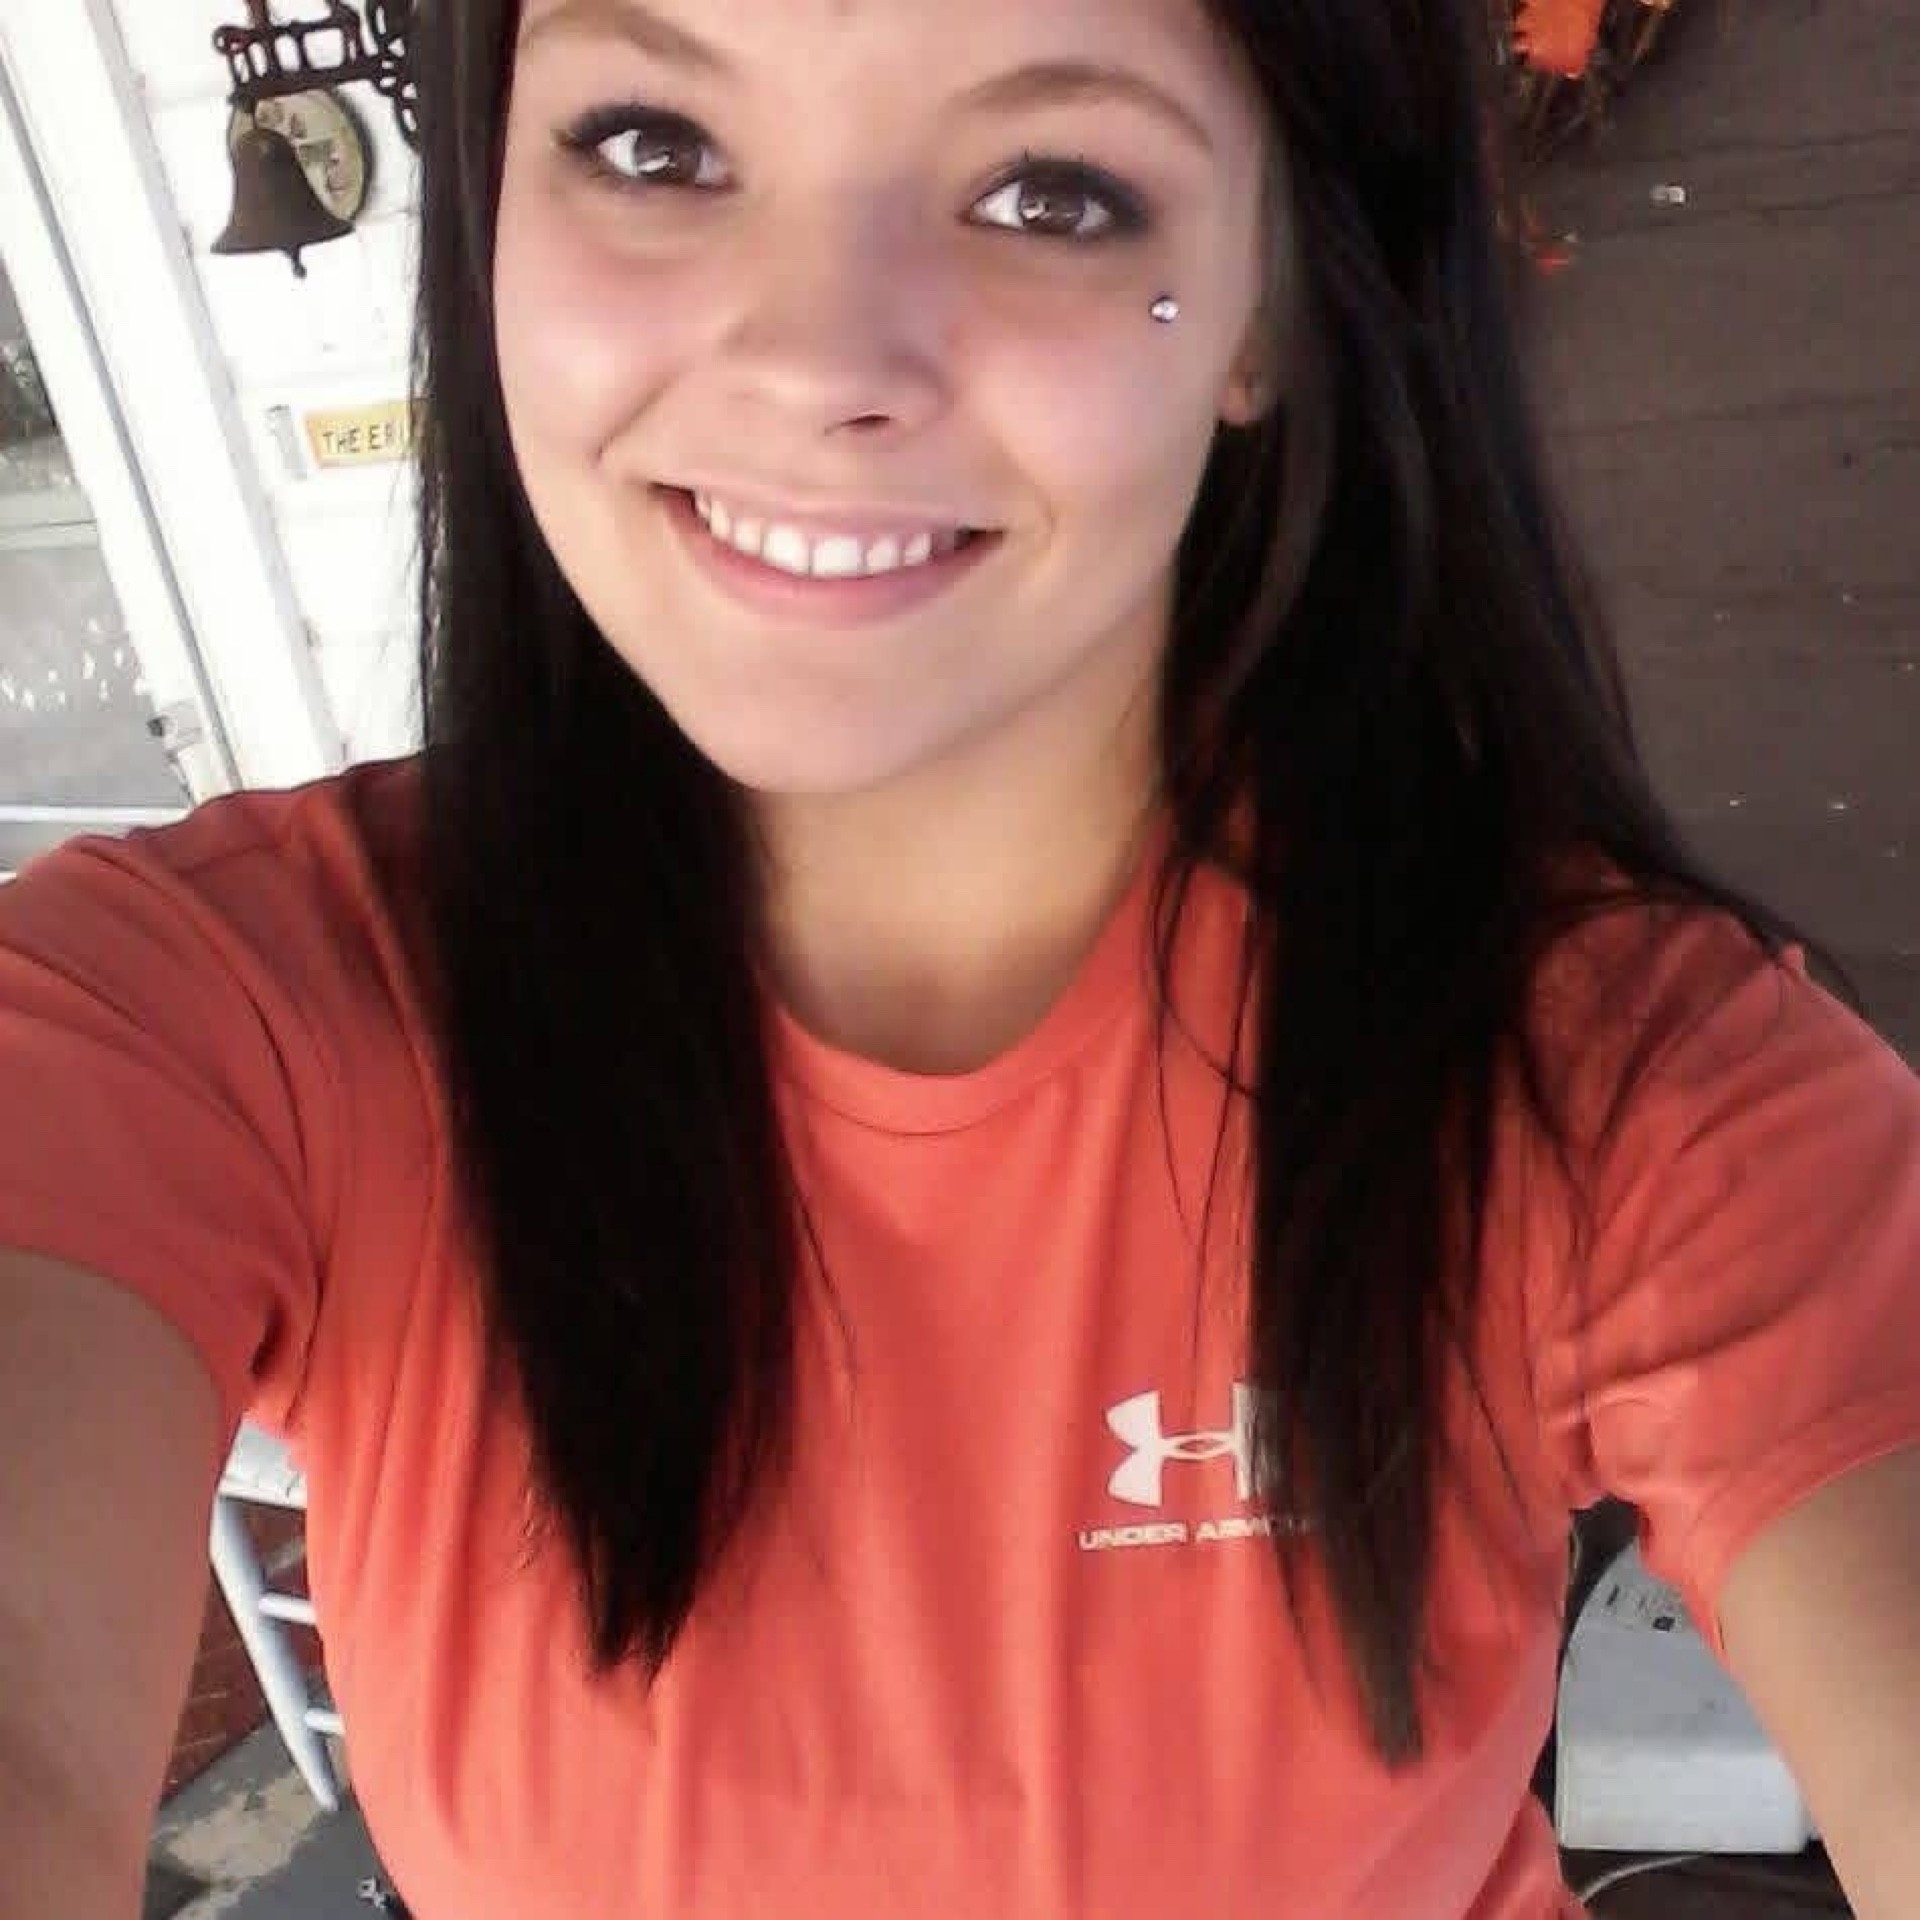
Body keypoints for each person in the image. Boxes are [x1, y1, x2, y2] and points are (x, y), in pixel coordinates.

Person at [2, 1, 1917, 1916]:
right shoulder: (210, 1020)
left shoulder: (1622, 1084)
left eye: (1050, 192)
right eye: (657, 146)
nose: (815, 362)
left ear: (1267, 301)